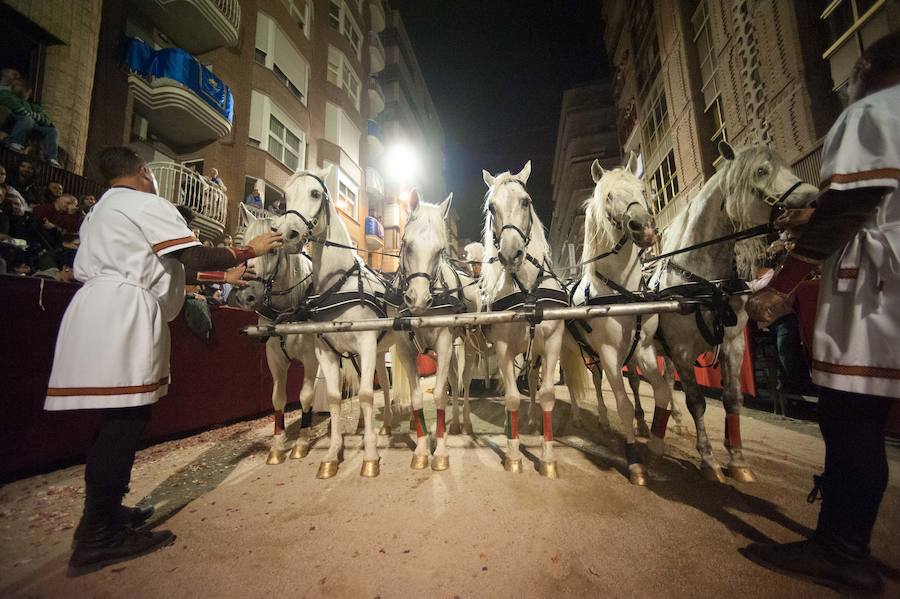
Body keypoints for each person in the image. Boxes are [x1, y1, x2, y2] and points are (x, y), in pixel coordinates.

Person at [43, 146, 281, 576]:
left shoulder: (102, 210)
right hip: (125, 311)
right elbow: (188, 256)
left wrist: (219, 277)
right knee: (125, 421)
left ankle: (105, 515)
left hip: (97, 304)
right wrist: (248, 250)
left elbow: (165, 265)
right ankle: (99, 536)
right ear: (141, 172)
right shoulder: (145, 201)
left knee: (112, 421)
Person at [743, 31, 900, 595]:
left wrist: (780, 286)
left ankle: (842, 551)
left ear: (864, 67)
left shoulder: (874, 112)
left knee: (850, 420)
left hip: (877, 298)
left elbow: (850, 207)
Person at [0, 80, 60, 167]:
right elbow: (16, 108)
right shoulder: (6, 94)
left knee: (53, 131)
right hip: (14, 120)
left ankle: (51, 158)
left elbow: (47, 120)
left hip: (31, 125)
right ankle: (14, 142)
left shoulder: (32, 105)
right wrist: (31, 115)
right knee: (28, 119)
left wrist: (36, 116)